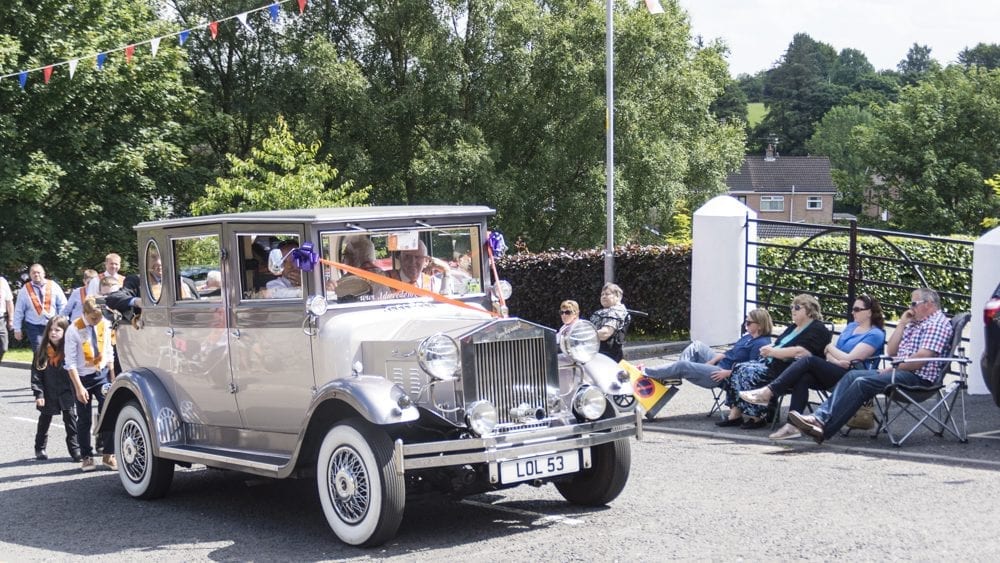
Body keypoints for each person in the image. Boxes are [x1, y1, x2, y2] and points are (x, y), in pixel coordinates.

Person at [789, 288, 954, 444]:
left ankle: (823, 429)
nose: (910, 308)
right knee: (853, 375)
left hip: (918, 379)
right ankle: (819, 418)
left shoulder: (936, 324)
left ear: (929, 304)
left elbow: (920, 360)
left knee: (862, 381)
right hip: (900, 371)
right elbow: (891, 352)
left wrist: (893, 368)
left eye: (913, 304)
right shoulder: (916, 323)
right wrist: (902, 324)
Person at [741, 294, 887, 440]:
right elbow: (828, 353)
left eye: (857, 309)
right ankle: (792, 426)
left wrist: (830, 347)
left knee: (809, 360)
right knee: (803, 377)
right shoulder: (850, 327)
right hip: (836, 368)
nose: (852, 312)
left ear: (869, 312)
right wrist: (834, 358)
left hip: (854, 376)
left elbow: (850, 360)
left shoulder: (875, 334)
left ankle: (769, 392)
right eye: (853, 309)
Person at [717, 294, 831, 429]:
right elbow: (778, 344)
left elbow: (801, 352)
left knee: (747, 371)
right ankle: (735, 415)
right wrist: (769, 348)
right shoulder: (793, 327)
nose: (793, 310)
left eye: (797, 307)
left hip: (788, 369)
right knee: (738, 367)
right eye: (792, 307)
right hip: (772, 362)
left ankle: (757, 417)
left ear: (810, 310)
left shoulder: (817, 328)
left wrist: (773, 352)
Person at [644, 308, 774, 388]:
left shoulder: (761, 343)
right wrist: (713, 359)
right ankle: (675, 375)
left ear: (760, 326)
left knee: (683, 365)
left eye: (749, 322)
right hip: (721, 363)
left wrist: (728, 373)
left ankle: (646, 372)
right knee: (696, 346)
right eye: (746, 321)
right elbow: (730, 352)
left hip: (723, 373)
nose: (746, 324)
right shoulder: (748, 336)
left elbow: (751, 368)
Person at [65, 297, 116, 472]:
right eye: (94, 318)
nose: (97, 321)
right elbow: (70, 362)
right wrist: (79, 387)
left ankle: (109, 454)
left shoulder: (105, 324)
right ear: (85, 314)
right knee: (84, 418)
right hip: (82, 377)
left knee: (109, 412)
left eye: (100, 317)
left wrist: (112, 375)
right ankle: (86, 456)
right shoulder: (73, 329)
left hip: (101, 375)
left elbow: (109, 351)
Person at [30, 315, 81, 462]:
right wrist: (39, 394)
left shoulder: (70, 350)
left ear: (65, 331)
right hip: (48, 390)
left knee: (71, 419)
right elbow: (36, 374)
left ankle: (75, 449)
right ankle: (40, 447)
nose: (53, 333)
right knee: (45, 420)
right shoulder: (42, 351)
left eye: (58, 330)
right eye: (51, 330)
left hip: (66, 391)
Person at [13, 264, 67, 354]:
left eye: (38, 272)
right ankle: (39, 367)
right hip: (34, 325)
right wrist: (17, 329)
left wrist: (63, 321)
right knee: (39, 350)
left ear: (44, 274)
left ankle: (51, 368)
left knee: (54, 351)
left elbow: (62, 304)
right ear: (30, 275)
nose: (36, 275)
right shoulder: (25, 290)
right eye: (33, 273)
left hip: (52, 325)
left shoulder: (54, 286)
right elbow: (19, 310)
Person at [589, 283, 629, 362]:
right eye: (602, 294)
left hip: (607, 357)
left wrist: (585, 335)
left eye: (607, 294)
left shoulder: (616, 312)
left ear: (617, 297)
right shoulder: (604, 311)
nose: (603, 296)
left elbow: (605, 333)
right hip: (596, 353)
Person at [0, 274, 13, 363]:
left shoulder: (2, 281)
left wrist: (11, 319)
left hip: (1, 319)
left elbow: (9, 301)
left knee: (4, 347)